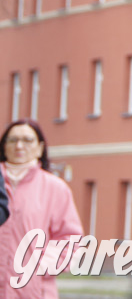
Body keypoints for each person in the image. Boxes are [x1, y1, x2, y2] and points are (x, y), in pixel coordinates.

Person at [0, 118, 84, 299]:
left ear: (40, 147)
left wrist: (40, 266)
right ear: (4, 146)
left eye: (28, 140)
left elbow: (70, 239)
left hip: (34, 291)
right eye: (13, 140)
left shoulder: (55, 188)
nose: (19, 146)